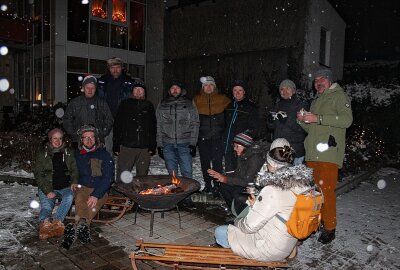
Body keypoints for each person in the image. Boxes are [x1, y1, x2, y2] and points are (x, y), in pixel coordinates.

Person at [214, 146, 314, 262]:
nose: (266, 165)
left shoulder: (273, 189)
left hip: (269, 248)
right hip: (289, 241)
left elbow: (249, 226)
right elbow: (284, 209)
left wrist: (236, 223)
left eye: (268, 162)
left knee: (221, 232)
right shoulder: (303, 185)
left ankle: (235, 261)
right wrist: (257, 205)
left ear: (273, 164)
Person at [297, 68, 353, 244]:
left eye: (321, 79)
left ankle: (330, 228)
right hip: (313, 153)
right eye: (315, 81)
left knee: (326, 192)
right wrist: (303, 120)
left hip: (328, 152)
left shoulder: (338, 96)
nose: (318, 83)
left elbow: (346, 120)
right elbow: (313, 128)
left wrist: (318, 118)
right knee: (314, 193)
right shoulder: (317, 100)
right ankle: (318, 222)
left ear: (329, 81)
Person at [208, 135, 289, 215]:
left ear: (245, 146)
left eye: (237, 146)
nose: (234, 148)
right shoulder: (243, 154)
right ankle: (234, 211)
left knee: (236, 194)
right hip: (246, 183)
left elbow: (248, 181)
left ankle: (241, 215)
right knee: (224, 186)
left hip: (253, 186)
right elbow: (238, 173)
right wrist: (223, 176)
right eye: (234, 146)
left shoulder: (254, 158)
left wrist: (226, 179)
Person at [61, 125, 114, 249]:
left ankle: (77, 226)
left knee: (92, 204)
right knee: (80, 198)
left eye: (91, 137)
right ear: (81, 140)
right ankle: (82, 226)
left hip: (100, 188)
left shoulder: (104, 155)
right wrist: (72, 181)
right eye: (85, 137)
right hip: (82, 187)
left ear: (96, 139)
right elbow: (70, 171)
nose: (89, 140)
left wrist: (96, 194)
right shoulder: (76, 155)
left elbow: (109, 177)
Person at [156, 80, 200, 209]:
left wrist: (193, 143)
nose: (175, 90)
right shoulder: (163, 103)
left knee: (187, 172)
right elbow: (159, 125)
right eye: (172, 88)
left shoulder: (189, 103)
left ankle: (187, 198)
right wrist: (160, 145)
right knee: (173, 173)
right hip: (167, 143)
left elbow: (195, 123)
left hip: (184, 143)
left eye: (177, 88)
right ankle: (176, 198)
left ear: (181, 90)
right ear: (169, 90)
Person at [33, 128, 78, 240]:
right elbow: (38, 174)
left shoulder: (68, 151)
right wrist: (47, 190)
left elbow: (74, 169)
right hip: (48, 186)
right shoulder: (42, 152)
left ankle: (57, 222)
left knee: (69, 196)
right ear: (50, 139)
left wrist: (74, 182)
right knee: (47, 206)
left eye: (60, 138)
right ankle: (45, 224)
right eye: (55, 138)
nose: (57, 141)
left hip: (65, 187)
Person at [193, 76, 230, 195]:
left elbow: (230, 116)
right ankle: (208, 184)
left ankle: (218, 186)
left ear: (214, 86)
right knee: (205, 163)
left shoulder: (223, 99)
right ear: (202, 87)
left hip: (218, 137)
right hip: (203, 138)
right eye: (206, 85)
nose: (208, 87)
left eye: (211, 85)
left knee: (217, 163)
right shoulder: (196, 100)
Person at [113, 80, 156, 181]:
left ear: (144, 92)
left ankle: (139, 195)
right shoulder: (125, 104)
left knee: (142, 176)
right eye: (136, 89)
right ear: (132, 91)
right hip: (127, 146)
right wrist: (116, 144)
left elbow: (153, 127)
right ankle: (120, 195)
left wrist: (152, 145)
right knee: (123, 175)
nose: (138, 91)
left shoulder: (149, 105)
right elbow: (117, 125)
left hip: (144, 148)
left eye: (140, 89)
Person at [63, 75, 113, 146]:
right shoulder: (74, 103)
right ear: (83, 88)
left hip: (97, 142)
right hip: (78, 142)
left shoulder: (102, 103)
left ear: (95, 89)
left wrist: (101, 133)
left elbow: (109, 120)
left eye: (92, 88)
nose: (90, 90)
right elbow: (67, 120)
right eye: (87, 88)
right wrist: (75, 134)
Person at [267, 79, 308, 165]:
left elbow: (304, 127)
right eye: (282, 89)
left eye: (287, 88)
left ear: (293, 90)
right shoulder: (278, 105)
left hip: (295, 150)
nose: (284, 91)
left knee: (293, 177)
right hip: (279, 149)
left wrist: (286, 120)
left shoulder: (300, 105)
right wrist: (270, 121)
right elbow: (271, 127)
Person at [97, 57, 133, 153]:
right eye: (113, 67)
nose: (115, 70)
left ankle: (123, 167)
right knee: (108, 146)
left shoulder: (129, 82)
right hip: (106, 118)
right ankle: (109, 166)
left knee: (123, 147)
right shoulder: (101, 82)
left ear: (122, 68)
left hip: (123, 119)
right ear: (109, 68)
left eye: (118, 67)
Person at [223, 80, 259, 171]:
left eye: (240, 90)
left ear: (244, 92)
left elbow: (254, 128)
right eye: (235, 90)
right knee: (230, 171)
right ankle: (229, 185)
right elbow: (225, 125)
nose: (237, 92)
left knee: (242, 172)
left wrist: (242, 143)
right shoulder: (229, 106)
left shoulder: (251, 107)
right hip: (228, 146)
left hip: (242, 147)